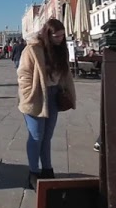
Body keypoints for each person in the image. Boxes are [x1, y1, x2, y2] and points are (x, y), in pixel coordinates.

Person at [17, 18, 76, 192]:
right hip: (35, 96)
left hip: (53, 96)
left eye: (62, 36)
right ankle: (33, 173)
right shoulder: (32, 49)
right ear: (47, 35)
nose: (60, 39)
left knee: (47, 136)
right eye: (56, 36)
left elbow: (64, 73)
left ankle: (47, 169)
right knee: (36, 136)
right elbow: (23, 74)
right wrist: (28, 94)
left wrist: (65, 90)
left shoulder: (60, 50)